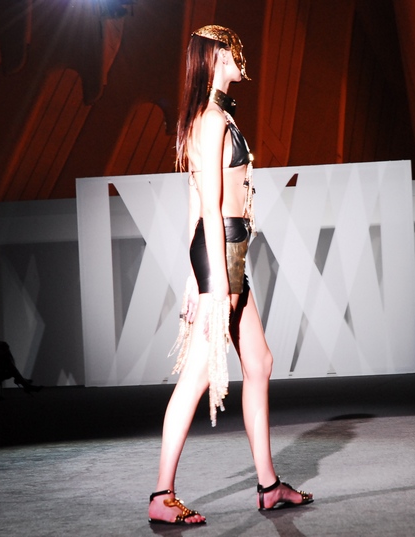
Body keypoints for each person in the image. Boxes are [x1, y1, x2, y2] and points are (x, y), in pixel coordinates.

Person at [147, 25, 313, 526]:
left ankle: (268, 486)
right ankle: (161, 494)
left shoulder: (217, 116)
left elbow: (197, 203)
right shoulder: (210, 119)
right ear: (218, 56)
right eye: (235, 50)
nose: (244, 58)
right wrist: (213, 284)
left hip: (227, 251)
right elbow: (207, 207)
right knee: (199, 373)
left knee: (258, 362)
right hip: (222, 252)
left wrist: (199, 274)